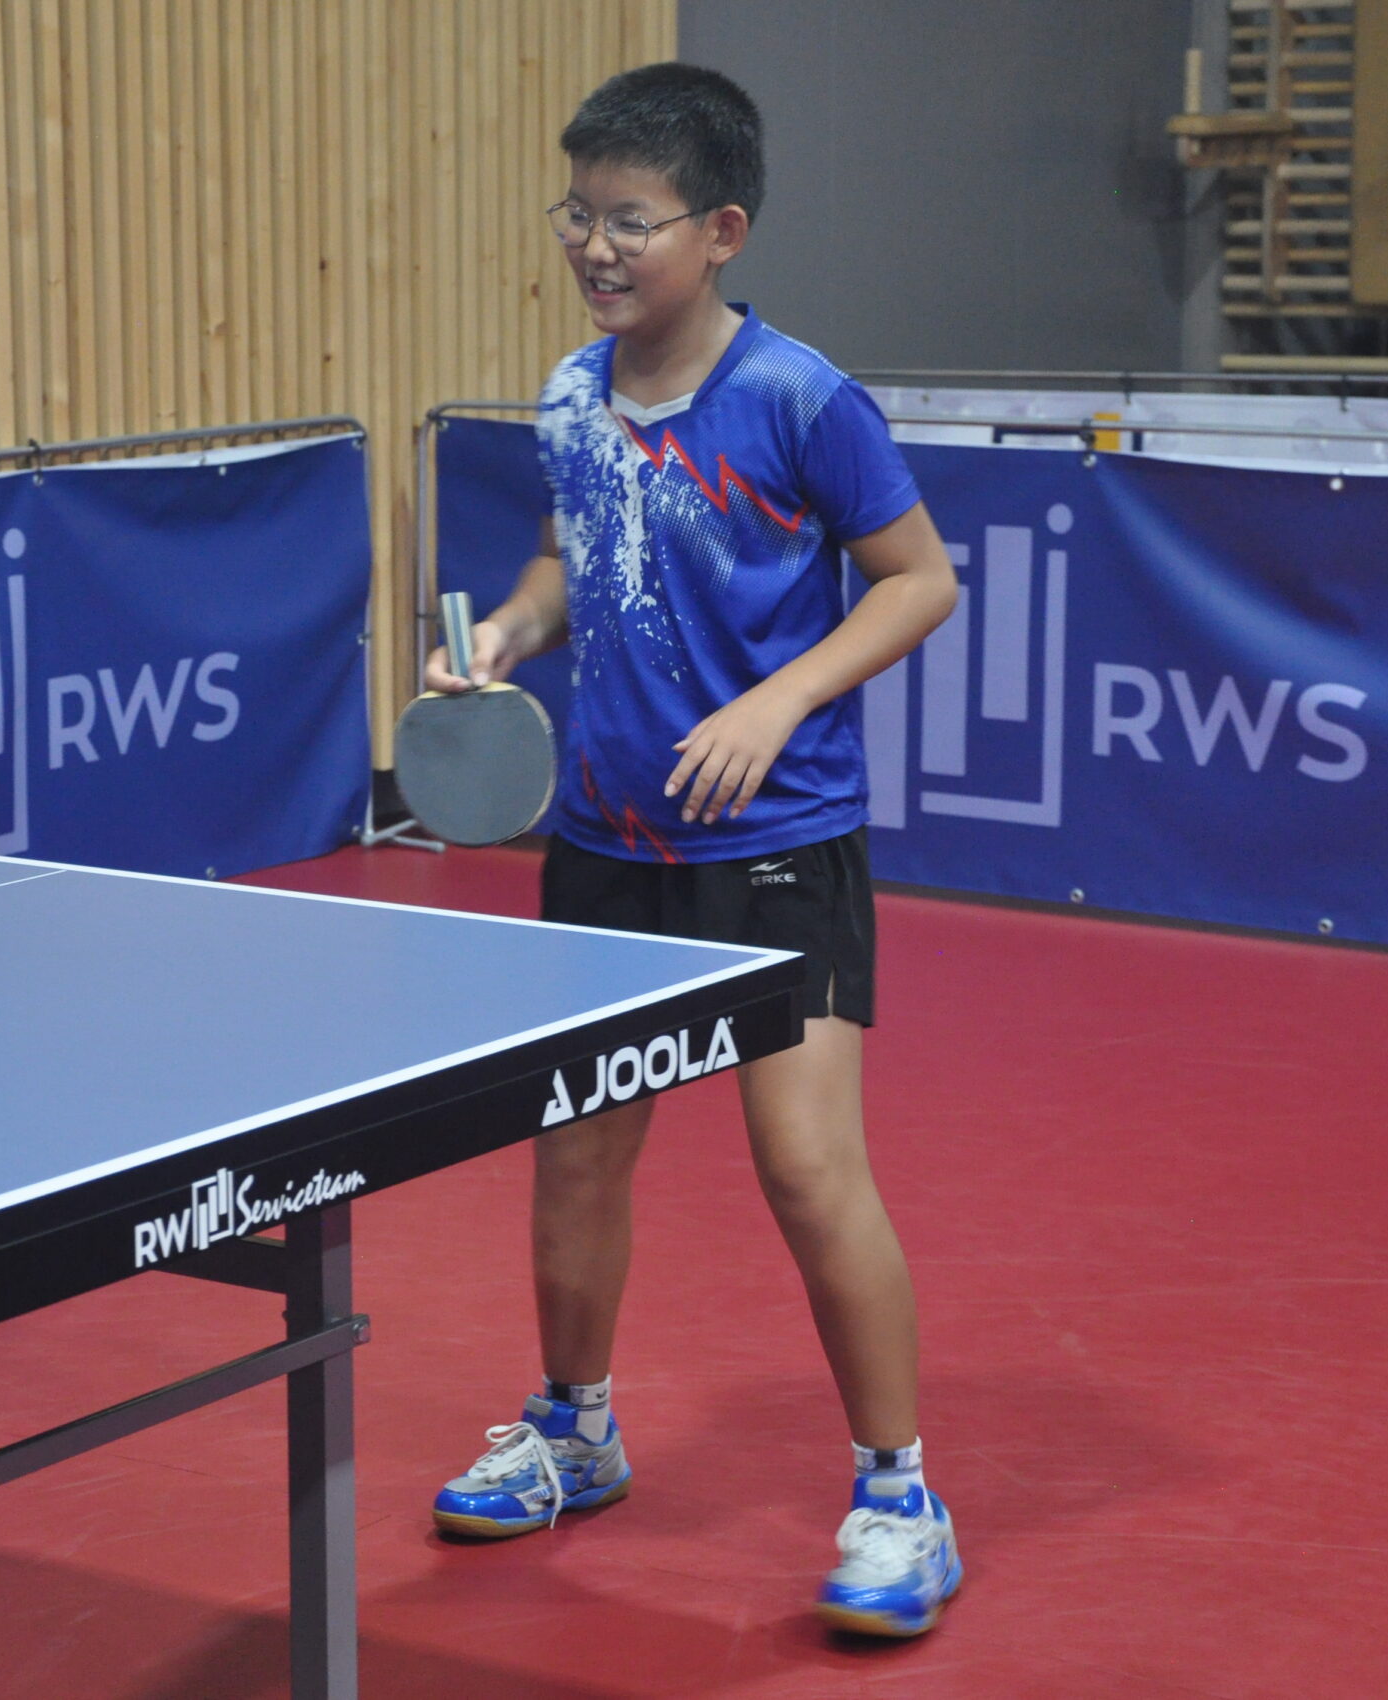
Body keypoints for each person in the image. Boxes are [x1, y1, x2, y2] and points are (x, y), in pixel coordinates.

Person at [420, 62, 965, 1638]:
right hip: (607, 839)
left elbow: (918, 579)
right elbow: (567, 560)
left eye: (632, 221)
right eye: (577, 213)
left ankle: (900, 1494)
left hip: (777, 840)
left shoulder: (799, 398)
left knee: (805, 1165)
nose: (595, 247)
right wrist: (508, 636)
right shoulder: (570, 394)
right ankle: (576, 1429)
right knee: (579, 1153)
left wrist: (779, 703)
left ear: (720, 231)